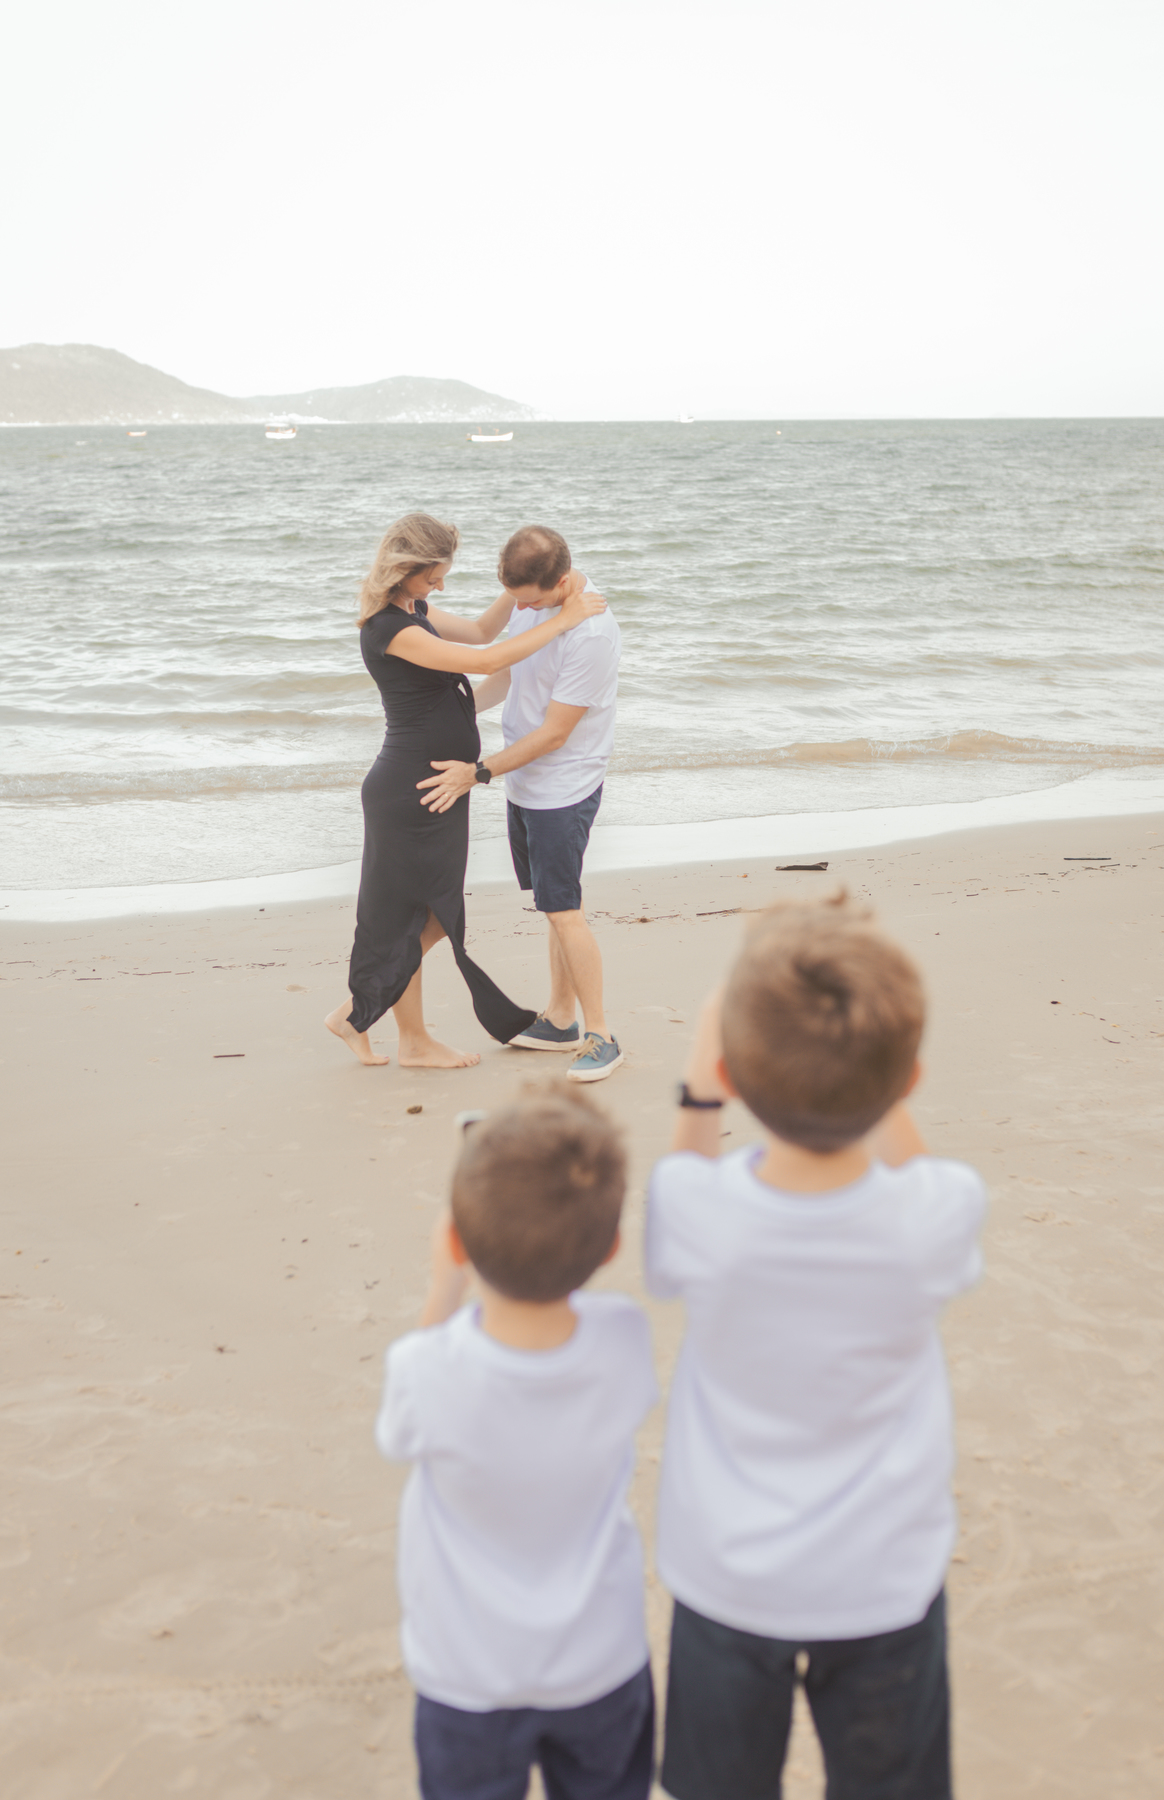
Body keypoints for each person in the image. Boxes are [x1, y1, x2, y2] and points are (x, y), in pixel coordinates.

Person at [646, 897, 987, 1800]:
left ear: (730, 1072)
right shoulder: (936, 1215)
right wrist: (877, 1077)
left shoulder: (697, 1213)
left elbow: (683, 1170)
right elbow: (917, 1166)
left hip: (726, 1577)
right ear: (909, 1080)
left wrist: (702, 1083)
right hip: (885, 1578)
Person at [375, 1085, 657, 1800]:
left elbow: (399, 1433)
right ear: (610, 1248)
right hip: (601, 1663)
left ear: (455, 1243)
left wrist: (445, 1285)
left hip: (468, 1677)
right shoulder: (624, 1340)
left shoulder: (425, 1369)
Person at [325, 514, 606, 1069]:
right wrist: (565, 617)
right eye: (433, 577)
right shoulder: (389, 628)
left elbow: (480, 633)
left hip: (439, 786)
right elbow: (486, 660)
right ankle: (399, 1034)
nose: (439, 587)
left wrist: (520, 593)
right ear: (404, 569)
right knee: (416, 915)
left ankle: (364, 1017)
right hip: (413, 788)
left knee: (429, 916)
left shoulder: (415, 610)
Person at [416, 525, 623, 1083]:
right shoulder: (530, 597)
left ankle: (601, 1034)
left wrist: (477, 773)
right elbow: (509, 671)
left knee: (564, 908)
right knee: (554, 904)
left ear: (561, 582)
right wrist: (454, 718)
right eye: (515, 598)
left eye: (530, 601)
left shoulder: (591, 634)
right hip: (526, 782)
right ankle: (560, 1019)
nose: (521, 609)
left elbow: (555, 733)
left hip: (563, 786)